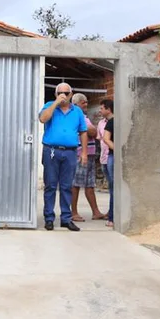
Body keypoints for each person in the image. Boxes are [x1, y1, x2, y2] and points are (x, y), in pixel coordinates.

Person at [38, 82, 88, 231]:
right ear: (55, 94)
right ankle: (49, 218)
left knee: (67, 186)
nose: (63, 95)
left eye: (66, 93)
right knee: (50, 185)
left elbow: (83, 131)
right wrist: (55, 104)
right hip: (51, 151)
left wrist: (84, 152)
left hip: (70, 152)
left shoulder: (77, 111)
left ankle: (66, 218)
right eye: (60, 93)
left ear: (71, 95)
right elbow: (43, 119)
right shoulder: (49, 105)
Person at [70, 93, 105, 222]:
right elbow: (92, 132)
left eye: (86, 102)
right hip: (80, 154)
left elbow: (92, 131)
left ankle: (96, 212)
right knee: (75, 184)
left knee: (90, 184)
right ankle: (73, 212)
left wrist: (92, 130)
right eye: (83, 102)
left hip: (89, 154)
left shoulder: (84, 117)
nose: (86, 104)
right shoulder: (75, 116)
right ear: (76, 104)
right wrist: (92, 129)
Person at [99, 99, 115, 228]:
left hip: (112, 157)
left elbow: (105, 138)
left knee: (114, 189)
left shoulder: (113, 121)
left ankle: (112, 218)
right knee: (114, 188)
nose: (100, 110)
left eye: (102, 108)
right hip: (113, 157)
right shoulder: (111, 122)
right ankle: (112, 217)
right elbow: (105, 139)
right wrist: (118, 150)